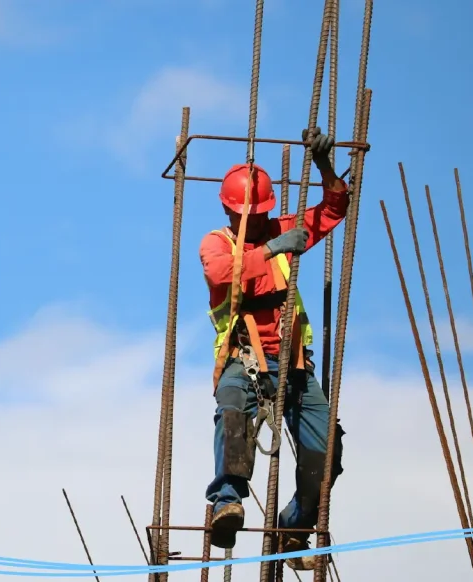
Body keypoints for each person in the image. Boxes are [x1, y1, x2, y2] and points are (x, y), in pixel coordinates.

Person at [197, 128, 348, 571]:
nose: (259, 220)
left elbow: (333, 209)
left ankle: (293, 528)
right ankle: (228, 500)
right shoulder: (216, 243)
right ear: (229, 209)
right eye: (250, 215)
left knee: (326, 457)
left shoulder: (283, 230)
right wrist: (271, 248)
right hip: (243, 359)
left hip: (294, 365)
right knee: (231, 409)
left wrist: (324, 167)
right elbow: (223, 274)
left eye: (262, 214)